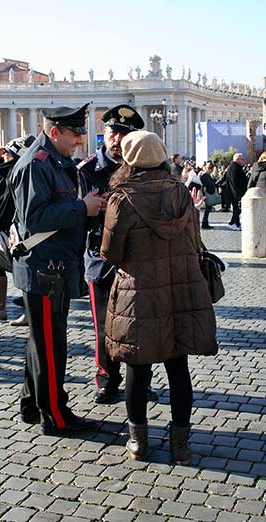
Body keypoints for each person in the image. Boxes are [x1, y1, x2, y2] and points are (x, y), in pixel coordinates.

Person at [100, 131, 218, 463]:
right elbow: (194, 243)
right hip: (180, 290)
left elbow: (110, 253)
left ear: (128, 159)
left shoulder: (121, 198)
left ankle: (138, 442)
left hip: (140, 296)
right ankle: (180, 444)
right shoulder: (181, 193)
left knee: (138, 368)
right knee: (178, 366)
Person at [10, 104, 105, 435]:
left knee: (41, 341)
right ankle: (55, 415)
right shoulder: (38, 165)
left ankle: (30, 404)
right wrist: (82, 207)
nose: (80, 139)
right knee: (51, 345)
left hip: (54, 265)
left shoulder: (55, 162)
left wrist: (83, 204)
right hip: (44, 268)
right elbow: (35, 218)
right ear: (54, 132)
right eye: (75, 132)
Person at [78, 105, 158, 404]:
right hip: (100, 258)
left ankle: (141, 381)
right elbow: (78, 217)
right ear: (105, 133)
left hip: (136, 261)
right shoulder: (86, 171)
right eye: (113, 132)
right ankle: (107, 380)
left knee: (140, 325)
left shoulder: (144, 168)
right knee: (103, 327)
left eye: (124, 133)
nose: (117, 138)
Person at [0, 136, 35, 324]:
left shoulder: (15, 172)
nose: (3, 155)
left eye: (6, 153)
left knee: (23, 271)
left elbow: (7, 203)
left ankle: (29, 312)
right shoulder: (7, 170)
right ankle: (0, 308)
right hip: (6, 231)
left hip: (12, 231)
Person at [226, 152, 248, 231]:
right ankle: (232, 223)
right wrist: (241, 193)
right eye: (241, 159)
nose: (243, 160)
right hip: (236, 193)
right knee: (237, 209)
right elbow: (236, 182)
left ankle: (236, 223)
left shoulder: (233, 167)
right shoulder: (235, 168)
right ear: (237, 159)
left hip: (234, 193)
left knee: (237, 209)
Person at [200, 162, 218, 229]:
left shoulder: (207, 175)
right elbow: (206, 185)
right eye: (210, 169)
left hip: (208, 194)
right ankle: (205, 223)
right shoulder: (205, 176)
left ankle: (205, 223)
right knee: (207, 210)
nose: (210, 170)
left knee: (208, 209)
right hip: (208, 194)